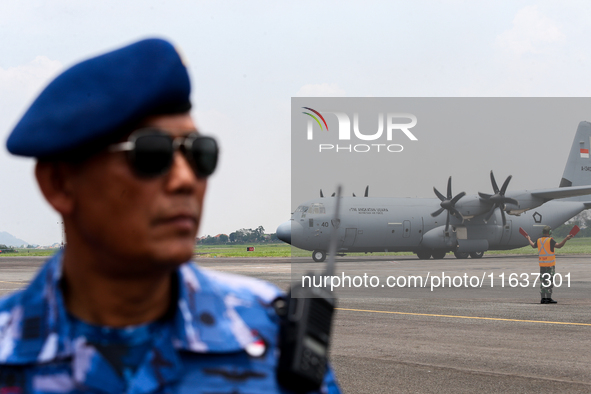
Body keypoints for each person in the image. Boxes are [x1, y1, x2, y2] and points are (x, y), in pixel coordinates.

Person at [0, 38, 340, 393]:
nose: (185, 179)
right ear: (59, 183)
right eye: (151, 154)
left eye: (199, 154)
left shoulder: (270, 339)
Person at [526, 225, 573, 304]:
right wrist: (566, 239)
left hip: (542, 265)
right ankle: (548, 298)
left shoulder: (539, 240)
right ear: (550, 232)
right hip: (550, 265)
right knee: (549, 282)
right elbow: (559, 246)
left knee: (543, 281)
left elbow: (533, 246)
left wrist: (529, 239)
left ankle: (543, 299)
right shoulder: (550, 240)